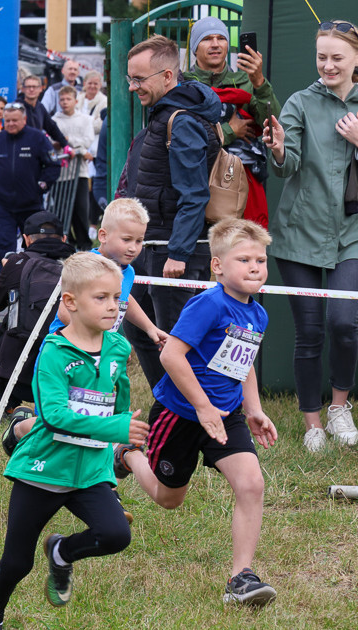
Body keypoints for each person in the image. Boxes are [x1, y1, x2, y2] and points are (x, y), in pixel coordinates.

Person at [0, 253, 145, 630]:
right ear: (70, 302)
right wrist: (114, 431)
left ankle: (62, 552)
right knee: (17, 563)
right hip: (44, 469)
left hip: (90, 471)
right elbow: (54, 416)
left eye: (117, 298)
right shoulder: (53, 352)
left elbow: (121, 402)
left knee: (116, 535)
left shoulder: (118, 347)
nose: (113, 306)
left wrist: (122, 443)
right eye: (101, 298)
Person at [115, 219, 279, 607]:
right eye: (244, 260)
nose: (255, 267)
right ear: (218, 266)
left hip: (226, 416)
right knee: (168, 498)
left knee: (251, 484)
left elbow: (245, 363)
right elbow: (172, 353)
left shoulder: (258, 314)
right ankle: (125, 454)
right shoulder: (208, 303)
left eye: (260, 260)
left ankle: (241, 578)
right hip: (181, 414)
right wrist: (202, 407)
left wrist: (253, 409)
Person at [261, 19, 358, 452]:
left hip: (352, 234)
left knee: (344, 325)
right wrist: (280, 147)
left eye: (337, 57)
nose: (328, 65)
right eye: (322, 57)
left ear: (357, 58)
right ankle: (312, 424)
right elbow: (286, 165)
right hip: (300, 234)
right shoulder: (299, 102)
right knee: (309, 331)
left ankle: (340, 407)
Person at [3, 200, 169, 452]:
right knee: (52, 423)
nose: (134, 247)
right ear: (103, 235)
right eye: (126, 239)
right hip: (65, 354)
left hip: (100, 357)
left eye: (139, 241)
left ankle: (95, 473)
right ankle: (19, 429)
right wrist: (95, 336)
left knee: (91, 416)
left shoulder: (128, 271)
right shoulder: (86, 265)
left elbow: (126, 299)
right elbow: (63, 309)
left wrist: (149, 327)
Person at [122, 34, 223, 390]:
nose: (133, 87)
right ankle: (168, 410)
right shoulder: (165, 115)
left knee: (176, 348)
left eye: (139, 79)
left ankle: (193, 417)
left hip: (174, 253)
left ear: (167, 77)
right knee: (138, 328)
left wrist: (178, 252)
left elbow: (194, 194)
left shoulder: (182, 121)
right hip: (152, 247)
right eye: (130, 78)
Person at [183, 17, 281, 229]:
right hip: (195, 181)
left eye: (221, 38)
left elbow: (272, 125)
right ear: (194, 48)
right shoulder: (184, 85)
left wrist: (259, 83)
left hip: (240, 183)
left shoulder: (246, 81)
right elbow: (183, 135)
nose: (216, 44)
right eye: (207, 39)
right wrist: (230, 131)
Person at [0, 211, 74, 415]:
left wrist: (6, 271)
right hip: (66, 372)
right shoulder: (79, 265)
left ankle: (10, 406)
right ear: (64, 239)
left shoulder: (18, 262)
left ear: (25, 239)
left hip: (19, 376)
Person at [0, 102, 61, 276]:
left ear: (24, 119)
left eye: (14, 120)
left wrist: (40, 187)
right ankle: (1, 285)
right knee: (3, 245)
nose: (10, 124)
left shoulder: (38, 138)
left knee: (35, 245)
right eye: (7, 121)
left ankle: (36, 280)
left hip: (31, 205)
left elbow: (53, 166)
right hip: (3, 205)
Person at [52, 85, 97, 249]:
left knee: (81, 211)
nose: (65, 102)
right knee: (62, 211)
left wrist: (68, 141)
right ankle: (67, 244)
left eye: (68, 99)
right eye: (62, 99)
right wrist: (79, 150)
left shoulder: (85, 119)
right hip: (61, 174)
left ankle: (84, 244)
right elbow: (52, 142)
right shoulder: (55, 120)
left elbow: (87, 140)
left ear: (76, 101)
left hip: (80, 173)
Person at [16, 75, 69, 147]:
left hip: (36, 149)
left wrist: (65, 145)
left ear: (41, 89)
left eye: (34, 87)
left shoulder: (40, 107)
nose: (31, 89)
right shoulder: (16, 108)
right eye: (28, 87)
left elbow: (52, 128)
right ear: (23, 89)